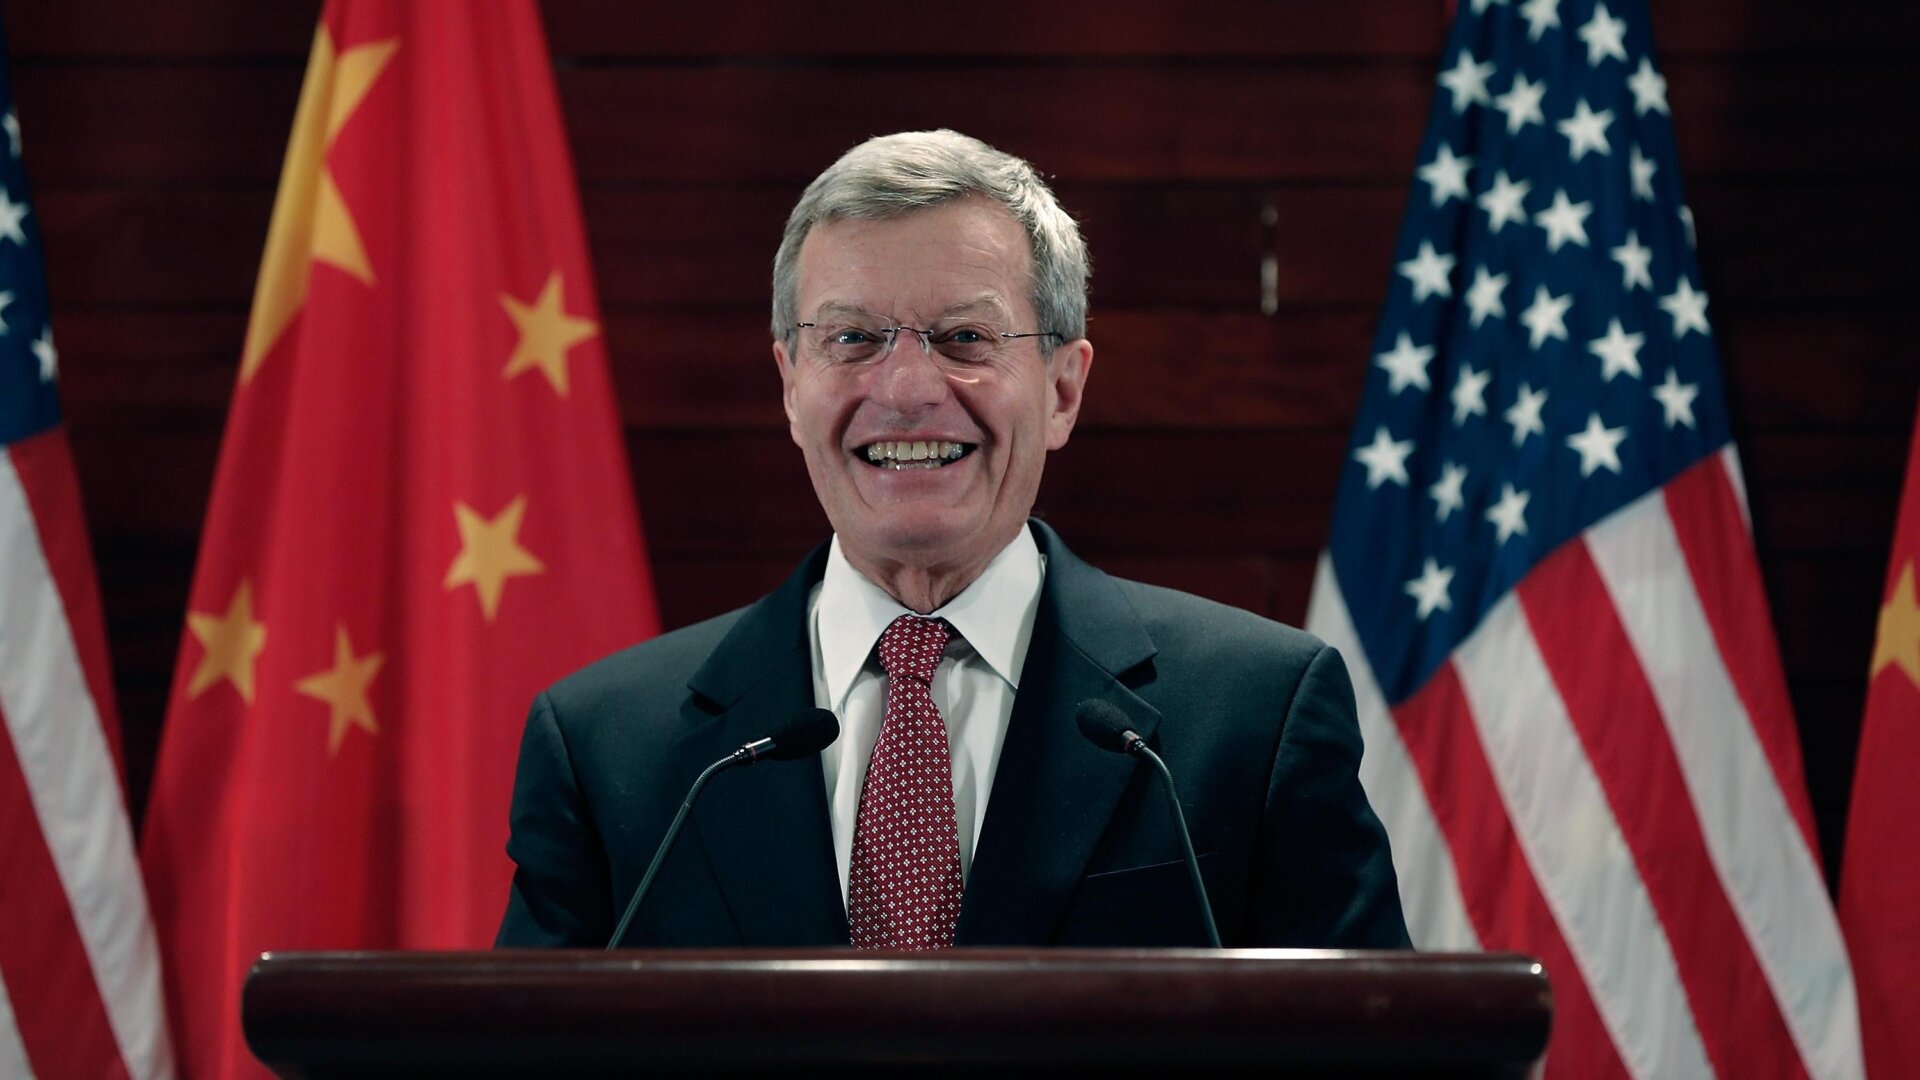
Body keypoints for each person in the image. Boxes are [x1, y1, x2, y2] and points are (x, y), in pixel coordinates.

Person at [496, 130, 1410, 950]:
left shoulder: (1254, 716)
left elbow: (1385, 1053)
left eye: (964, 337)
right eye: (852, 338)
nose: (906, 388)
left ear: (1061, 389)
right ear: (789, 384)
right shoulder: (610, 748)